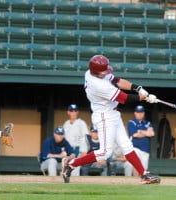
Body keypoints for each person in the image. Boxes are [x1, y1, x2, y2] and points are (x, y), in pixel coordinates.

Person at [62, 54, 161, 184]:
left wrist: (138, 88)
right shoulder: (98, 85)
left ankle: (144, 175)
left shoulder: (91, 72)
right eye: (103, 71)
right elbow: (124, 98)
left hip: (113, 114)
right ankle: (71, 164)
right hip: (104, 116)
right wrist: (145, 98)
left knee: (126, 145)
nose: (106, 73)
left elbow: (117, 80)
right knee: (104, 153)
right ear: (96, 72)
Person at [127, 105, 155, 176]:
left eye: (141, 112)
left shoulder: (147, 123)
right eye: (138, 112)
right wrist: (146, 133)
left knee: (144, 169)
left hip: (145, 149)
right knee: (136, 165)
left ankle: (142, 181)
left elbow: (151, 133)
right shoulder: (132, 122)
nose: (140, 114)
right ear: (135, 113)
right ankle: (135, 181)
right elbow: (135, 135)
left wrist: (140, 131)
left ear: (144, 113)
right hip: (135, 147)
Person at [63, 104, 89, 176]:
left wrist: (83, 151)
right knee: (64, 165)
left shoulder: (81, 123)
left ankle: (74, 182)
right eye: (71, 111)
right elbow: (64, 139)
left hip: (78, 149)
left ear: (77, 112)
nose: (73, 112)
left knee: (75, 166)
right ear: (68, 112)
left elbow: (86, 138)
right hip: (68, 150)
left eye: (75, 111)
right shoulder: (66, 124)